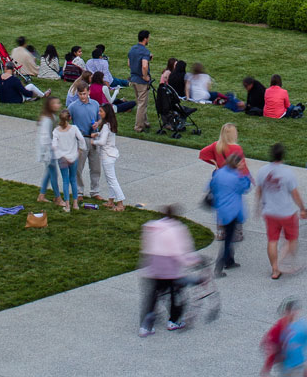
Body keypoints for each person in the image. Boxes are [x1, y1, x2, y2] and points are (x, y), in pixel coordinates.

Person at [139, 205, 199, 335]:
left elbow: (146, 247)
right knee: (176, 295)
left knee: (153, 295)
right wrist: (192, 261)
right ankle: (174, 320)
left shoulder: (151, 227)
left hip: (154, 267)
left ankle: (146, 325)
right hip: (170, 270)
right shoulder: (177, 229)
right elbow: (179, 253)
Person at [257, 143, 306, 279]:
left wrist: (258, 207)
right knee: (291, 240)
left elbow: (259, 191)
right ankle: (284, 263)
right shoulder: (288, 173)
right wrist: (302, 208)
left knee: (272, 240)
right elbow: (295, 194)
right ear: (282, 156)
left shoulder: (262, 171)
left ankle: (274, 269)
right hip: (286, 212)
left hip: (270, 212)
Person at [209, 152, 252, 275]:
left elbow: (211, 185)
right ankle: (220, 266)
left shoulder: (219, 173)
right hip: (232, 211)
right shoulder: (237, 177)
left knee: (228, 235)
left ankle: (229, 261)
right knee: (228, 239)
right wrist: (245, 174)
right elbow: (246, 187)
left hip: (221, 210)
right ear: (236, 164)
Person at [266, 297, 307, 377]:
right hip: (285, 367)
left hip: (297, 367)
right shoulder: (281, 326)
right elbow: (273, 346)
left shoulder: (303, 325)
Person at [68, 83, 103, 201]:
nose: (82, 96)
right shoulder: (73, 106)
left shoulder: (95, 104)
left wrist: (98, 123)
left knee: (96, 167)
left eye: (84, 94)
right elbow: (66, 121)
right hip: (80, 139)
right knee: (78, 167)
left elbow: (100, 118)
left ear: (89, 92)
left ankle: (95, 191)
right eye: (80, 94)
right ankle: (79, 192)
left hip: (94, 138)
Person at [50, 110, 87, 212]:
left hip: (62, 159)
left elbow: (54, 145)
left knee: (65, 181)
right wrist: (80, 150)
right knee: (73, 180)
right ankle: (75, 204)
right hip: (73, 157)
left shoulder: (56, 131)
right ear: (70, 118)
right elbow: (82, 139)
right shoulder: (74, 128)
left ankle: (67, 205)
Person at [93, 103, 126, 211]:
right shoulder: (109, 124)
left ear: (106, 113)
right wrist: (97, 134)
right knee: (110, 179)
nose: (99, 113)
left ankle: (120, 203)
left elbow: (102, 142)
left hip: (107, 156)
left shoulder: (106, 126)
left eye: (101, 111)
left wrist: (93, 141)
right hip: (111, 154)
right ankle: (111, 201)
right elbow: (105, 135)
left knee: (112, 180)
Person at [35, 97, 62, 203]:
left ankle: (41, 195)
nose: (58, 105)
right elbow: (45, 138)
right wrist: (50, 149)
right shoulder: (47, 120)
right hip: (47, 151)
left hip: (49, 150)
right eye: (55, 103)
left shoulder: (52, 117)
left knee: (49, 173)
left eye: (58, 103)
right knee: (53, 173)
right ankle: (57, 197)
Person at [128, 30, 154, 132]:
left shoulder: (132, 49)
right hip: (141, 81)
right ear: (145, 39)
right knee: (142, 104)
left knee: (140, 102)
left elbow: (129, 64)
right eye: (148, 37)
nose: (149, 39)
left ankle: (145, 121)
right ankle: (138, 127)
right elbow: (144, 66)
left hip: (133, 79)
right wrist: (145, 76)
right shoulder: (145, 51)